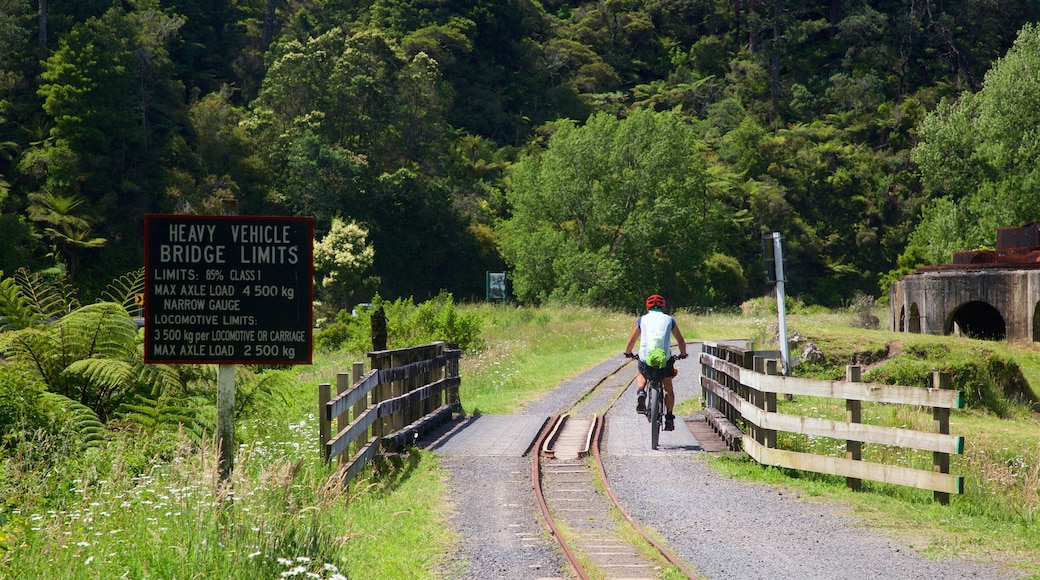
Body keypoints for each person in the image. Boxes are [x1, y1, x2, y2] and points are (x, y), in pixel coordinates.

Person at [624, 294, 687, 431]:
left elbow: (632, 341)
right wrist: (683, 354)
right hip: (664, 359)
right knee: (668, 387)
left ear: (648, 307)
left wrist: (628, 353)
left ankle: (641, 391)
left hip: (646, 358)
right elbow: (681, 341)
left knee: (641, 372)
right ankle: (669, 418)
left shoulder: (642, 320)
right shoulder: (670, 320)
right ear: (663, 306)